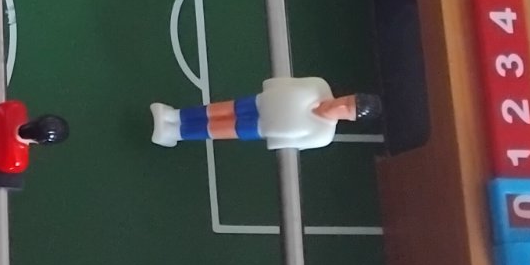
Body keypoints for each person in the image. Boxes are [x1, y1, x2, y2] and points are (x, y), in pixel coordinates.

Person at [150, 78, 379, 151]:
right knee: (218, 110)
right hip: (260, 102)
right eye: (346, 101)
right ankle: (175, 116)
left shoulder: (323, 135)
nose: (341, 106)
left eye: (348, 110)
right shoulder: (319, 86)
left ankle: (177, 132)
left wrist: (274, 139)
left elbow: (293, 144)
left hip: (261, 127)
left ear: (349, 119)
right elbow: (288, 82)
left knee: (219, 128)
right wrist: (271, 88)